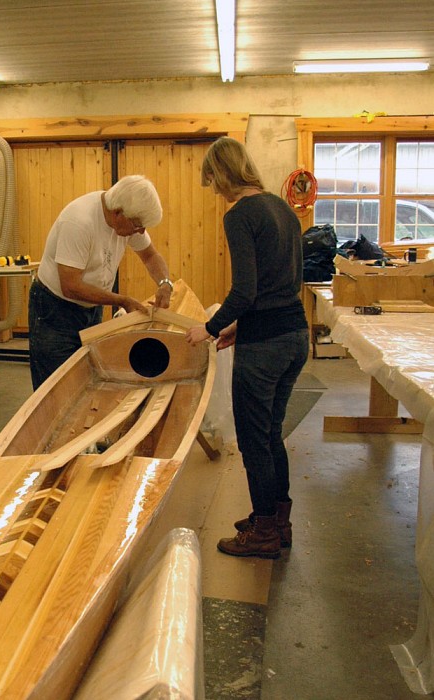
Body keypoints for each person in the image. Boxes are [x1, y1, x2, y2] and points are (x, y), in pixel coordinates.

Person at [186, 137, 309, 560]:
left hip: (266, 348)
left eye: (213, 181)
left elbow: (245, 289)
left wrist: (210, 326)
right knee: (272, 434)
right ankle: (276, 521)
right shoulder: (282, 209)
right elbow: (281, 286)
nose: (215, 191)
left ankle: (262, 534)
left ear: (222, 173)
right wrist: (243, 325)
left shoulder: (239, 215)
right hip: (295, 336)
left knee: (254, 442)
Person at [28, 174, 173, 390]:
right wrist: (122, 300)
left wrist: (165, 283)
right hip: (54, 310)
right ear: (118, 213)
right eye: (137, 225)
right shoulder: (79, 222)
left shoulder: (127, 219)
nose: (141, 231)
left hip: (90, 306)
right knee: (54, 386)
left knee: (86, 378)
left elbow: (150, 256)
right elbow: (70, 286)